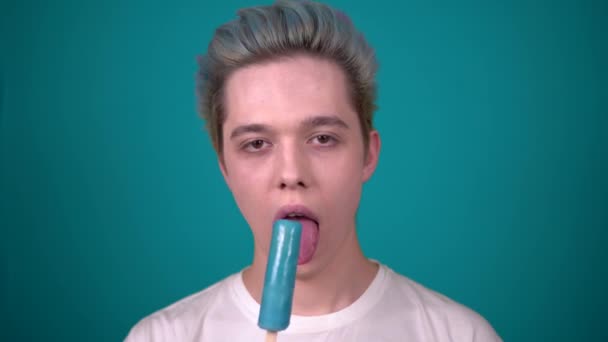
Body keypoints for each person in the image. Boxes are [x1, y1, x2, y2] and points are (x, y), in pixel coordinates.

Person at [125, 0, 502, 340]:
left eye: (322, 138)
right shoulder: (163, 337)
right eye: (256, 144)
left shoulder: (458, 335)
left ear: (367, 156)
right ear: (225, 167)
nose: (292, 173)